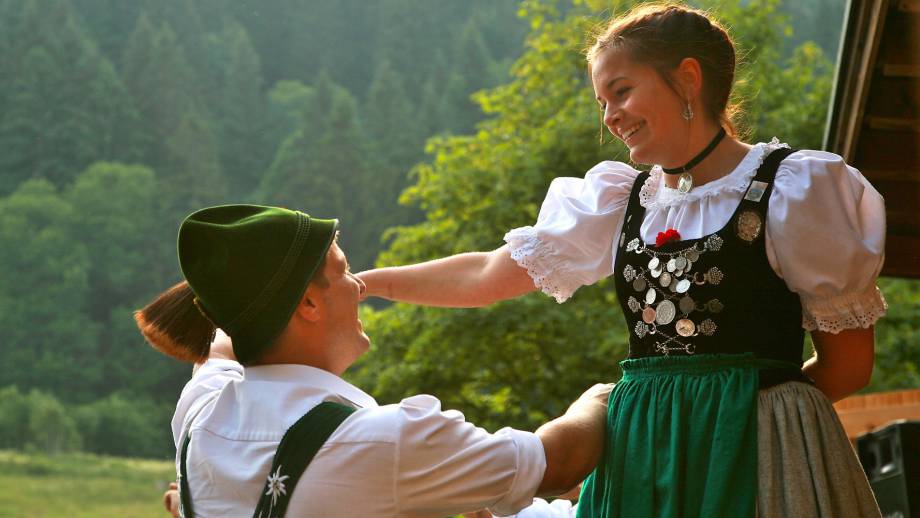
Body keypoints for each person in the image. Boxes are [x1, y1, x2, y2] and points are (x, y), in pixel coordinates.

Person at [356, 3, 887, 517]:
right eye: (602, 102)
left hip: (759, 453)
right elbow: (488, 274)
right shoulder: (619, 201)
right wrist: (365, 284)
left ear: (687, 78)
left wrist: (750, 422)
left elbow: (848, 365)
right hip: (643, 454)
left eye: (621, 91)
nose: (610, 117)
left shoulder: (796, 189)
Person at [136, 204, 610, 518]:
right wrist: (603, 398)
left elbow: (220, 343)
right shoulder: (387, 440)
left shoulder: (201, 409)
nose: (358, 285)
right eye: (343, 271)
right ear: (307, 305)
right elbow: (561, 462)